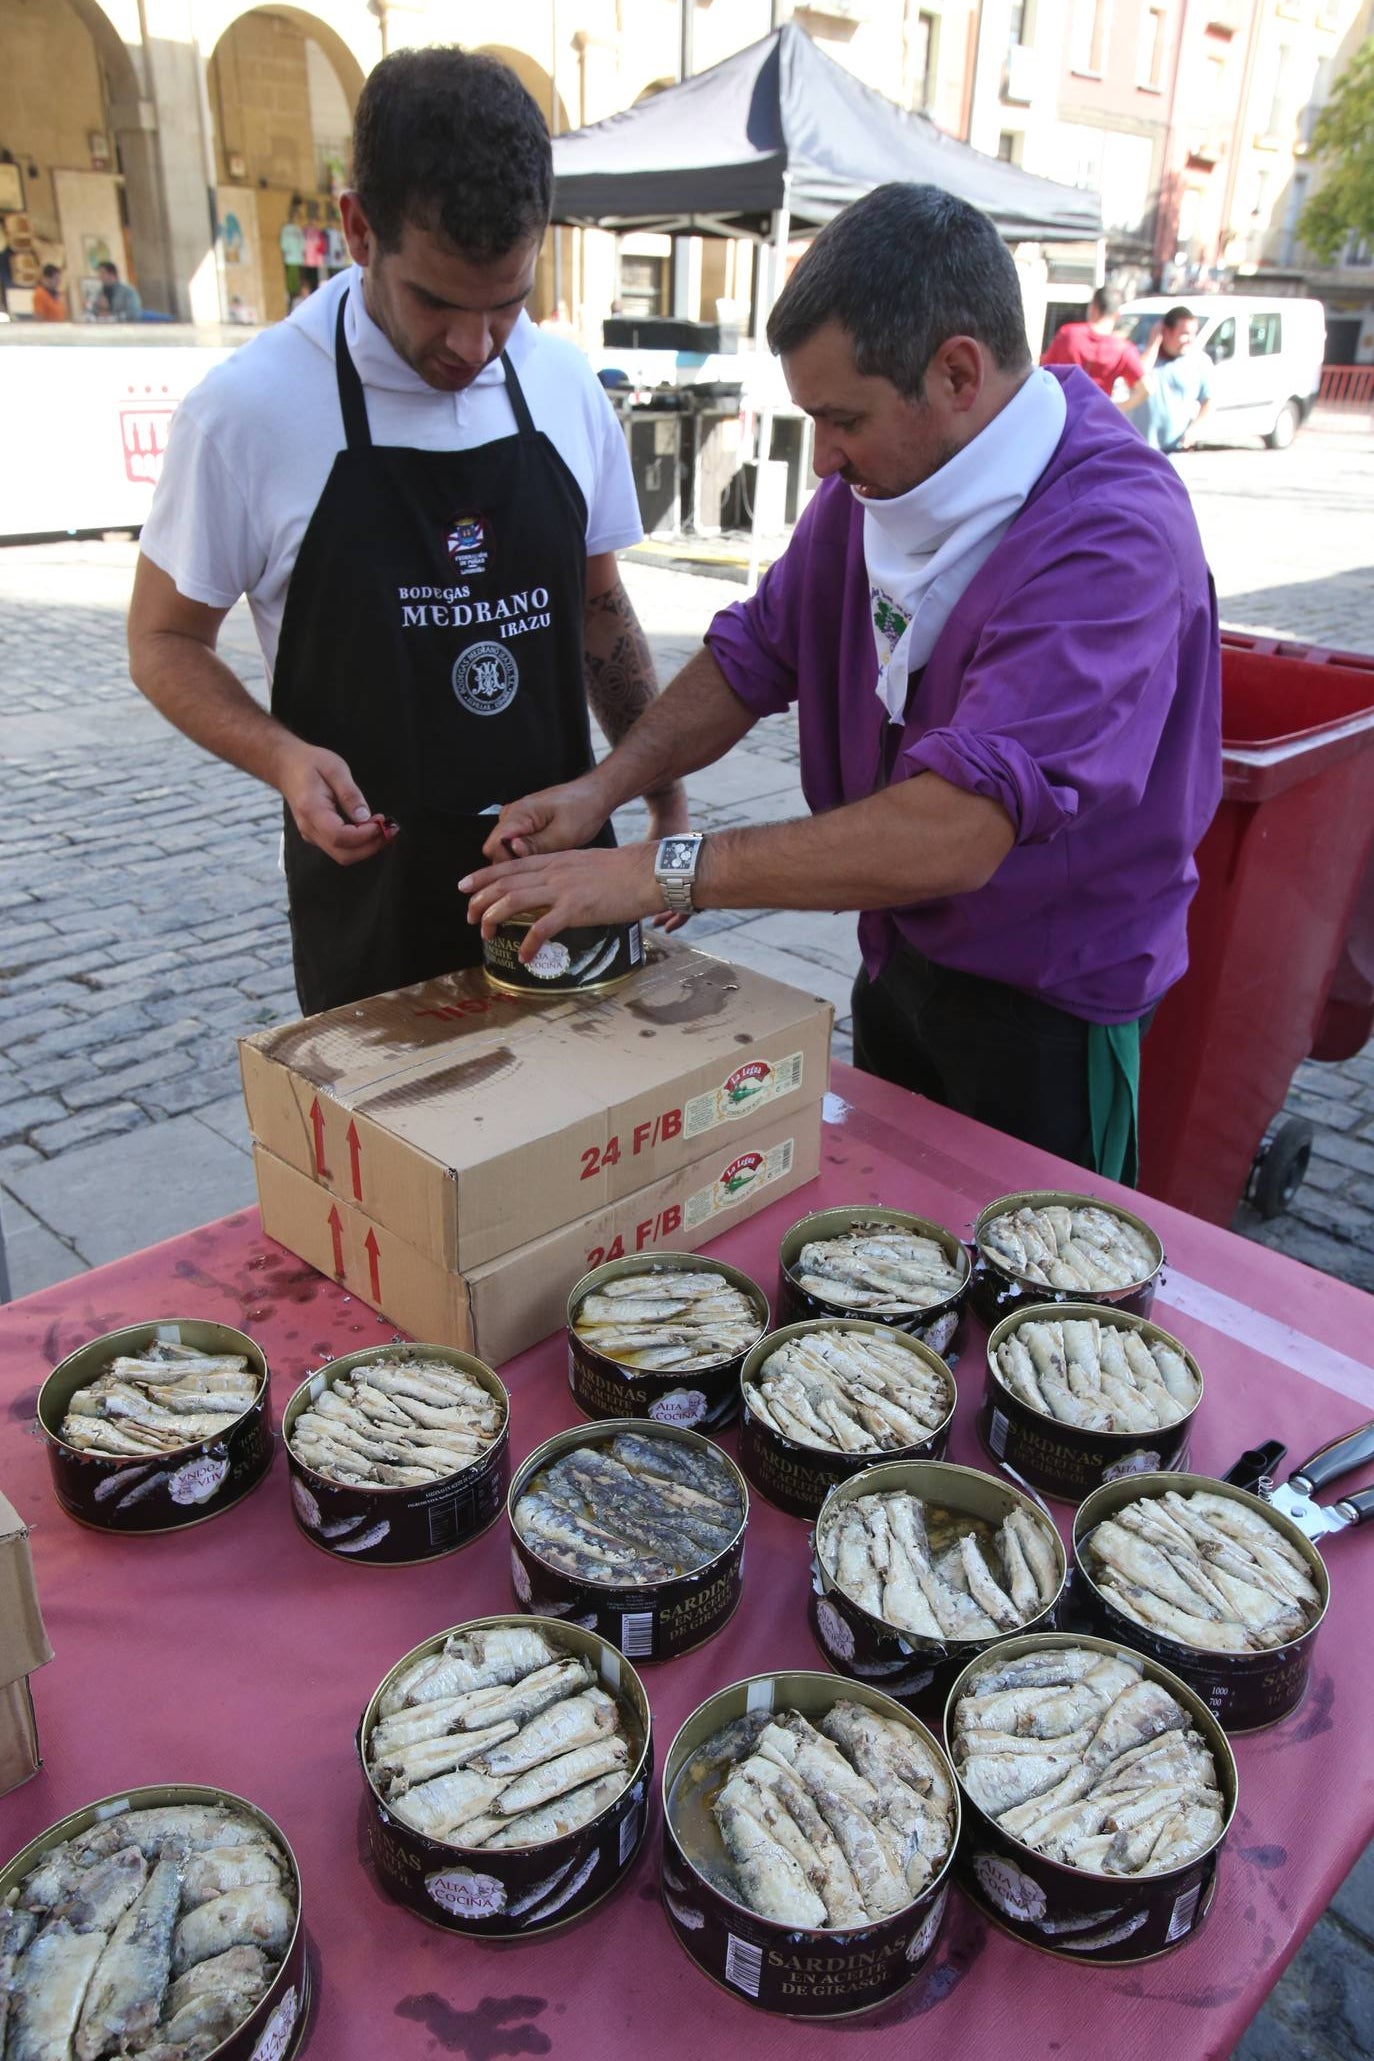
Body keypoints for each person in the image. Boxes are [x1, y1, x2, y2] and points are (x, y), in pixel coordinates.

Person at [462, 184, 1222, 1180]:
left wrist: (662, 872)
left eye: (842, 418)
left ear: (957, 372)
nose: (821, 460)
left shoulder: (1110, 535)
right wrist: (601, 789)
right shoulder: (875, 486)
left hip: (1054, 1004)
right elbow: (753, 652)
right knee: (891, 1230)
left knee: (1033, 1291)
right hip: (900, 954)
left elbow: (955, 830)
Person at [128, 46, 683, 1015]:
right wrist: (282, 758)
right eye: (437, 301)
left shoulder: (563, 388)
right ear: (357, 228)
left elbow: (598, 607)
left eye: (506, 302)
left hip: (563, 890)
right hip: (375, 907)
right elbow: (162, 641)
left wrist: (661, 785)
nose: (473, 347)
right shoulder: (248, 411)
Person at [1041, 285, 1148, 409]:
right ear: (1117, 315)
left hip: (1062, 412)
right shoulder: (1123, 349)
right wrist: (1115, 409)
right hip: (1094, 418)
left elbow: (1044, 373)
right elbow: (1145, 389)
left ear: (1093, 308)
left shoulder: (1068, 334)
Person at [1128, 306, 1213, 453]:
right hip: (1140, 450)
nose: (1191, 340)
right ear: (1166, 332)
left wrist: (1194, 430)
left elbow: (1209, 401)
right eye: (1185, 334)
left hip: (1176, 451)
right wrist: (1154, 343)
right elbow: (1136, 380)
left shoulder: (1199, 361)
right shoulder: (1142, 354)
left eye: (1194, 333)